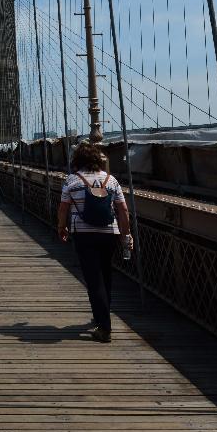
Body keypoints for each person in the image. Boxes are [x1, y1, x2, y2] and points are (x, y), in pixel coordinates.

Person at [57, 141, 132, 343]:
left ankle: (104, 327)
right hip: (109, 234)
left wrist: (61, 227)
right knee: (106, 275)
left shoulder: (72, 180)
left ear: (77, 160)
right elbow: (123, 211)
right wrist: (126, 235)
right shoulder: (111, 180)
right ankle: (102, 316)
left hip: (83, 234)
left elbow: (63, 208)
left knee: (93, 279)